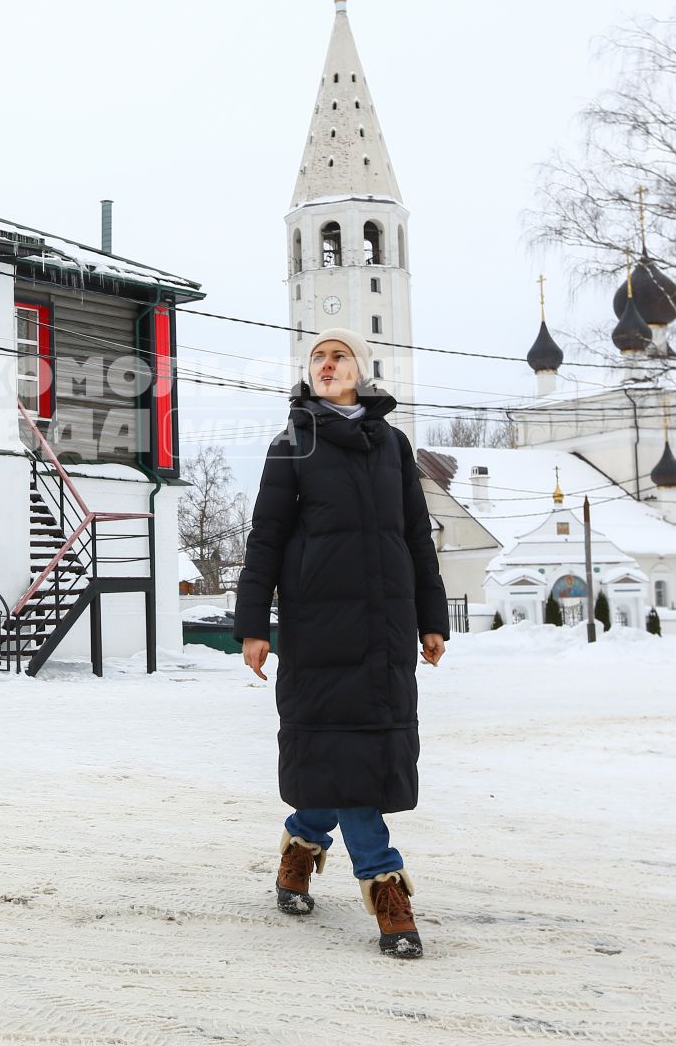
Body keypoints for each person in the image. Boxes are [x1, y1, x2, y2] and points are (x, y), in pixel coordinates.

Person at [232, 328, 448, 959]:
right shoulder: (293, 443)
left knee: (350, 763)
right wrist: (253, 626)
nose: (327, 366)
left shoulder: (393, 445)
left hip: (384, 629)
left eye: (338, 356)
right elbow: (265, 539)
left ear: (360, 369)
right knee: (347, 764)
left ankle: (300, 851)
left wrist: (430, 619)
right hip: (319, 628)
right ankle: (388, 894)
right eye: (317, 359)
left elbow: (416, 536)